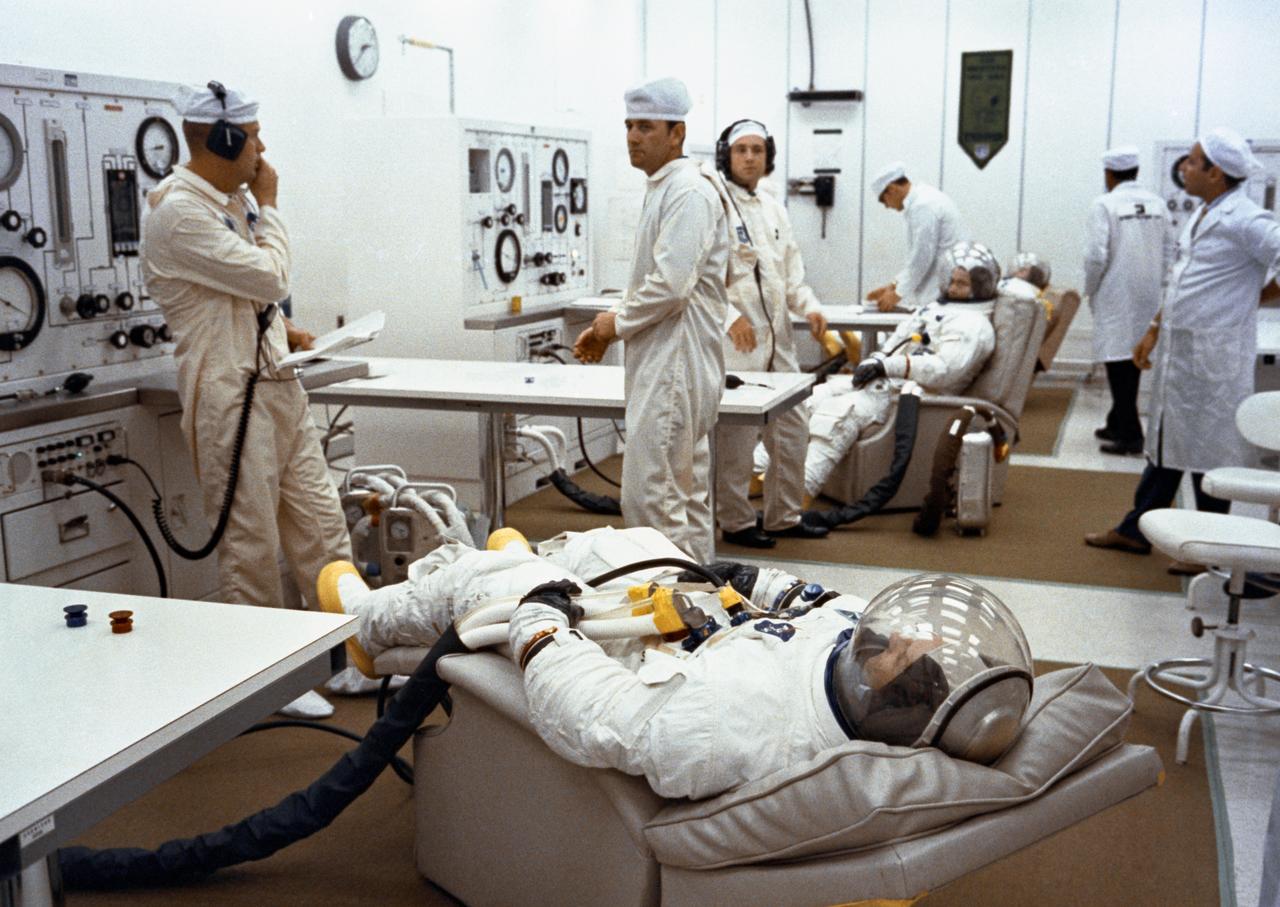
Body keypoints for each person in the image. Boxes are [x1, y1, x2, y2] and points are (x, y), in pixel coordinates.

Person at [317, 526, 1034, 800]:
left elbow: (598, 715)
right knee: (629, 537)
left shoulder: (742, 725)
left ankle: (364, 624)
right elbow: (811, 599)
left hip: (625, 646)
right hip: (683, 601)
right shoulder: (858, 639)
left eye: (904, 655)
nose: (904, 640)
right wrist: (749, 582)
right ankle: (532, 553)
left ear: (890, 695)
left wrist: (540, 623)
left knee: (488, 582)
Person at [141, 82, 352, 719]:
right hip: (229, 394)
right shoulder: (179, 211)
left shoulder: (226, 202)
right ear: (227, 139)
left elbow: (242, 293)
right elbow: (270, 276)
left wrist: (278, 327)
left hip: (274, 379)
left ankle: (345, 655)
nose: (262, 149)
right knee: (252, 544)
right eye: (255, 135)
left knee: (320, 524)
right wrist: (272, 206)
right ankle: (267, 686)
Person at [1086, 128, 1280, 568]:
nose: (1184, 168)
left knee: (1208, 451)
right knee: (1168, 444)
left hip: (1214, 356)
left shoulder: (1246, 219)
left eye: (1193, 161)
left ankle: (1209, 545)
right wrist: (1153, 328)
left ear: (1216, 172)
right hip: (1181, 351)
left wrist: (1257, 296)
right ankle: (1136, 529)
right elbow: (1180, 280)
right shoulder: (1202, 212)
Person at [572, 78, 732, 563]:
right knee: (682, 496)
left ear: (676, 133)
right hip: (670, 366)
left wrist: (610, 324)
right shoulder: (668, 187)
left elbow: (669, 286)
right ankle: (700, 607)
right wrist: (613, 323)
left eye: (645, 126)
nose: (633, 137)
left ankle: (668, 620)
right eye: (628, 126)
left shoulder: (688, 192)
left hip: (675, 370)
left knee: (651, 503)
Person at [759, 241, 999, 500]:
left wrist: (887, 365)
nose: (952, 288)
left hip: (919, 396)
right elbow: (896, 342)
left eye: (961, 284)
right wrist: (876, 361)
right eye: (951, 280)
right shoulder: (936, 309)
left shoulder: (974, 326)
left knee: (839, 414)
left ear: (980, 287)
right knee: (806, 402)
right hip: (888, 384)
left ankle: (798, 494)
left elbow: (943, 370)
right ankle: (756, 471)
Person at [713, 118, 829, 548]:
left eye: (757, 150)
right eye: (741, 149)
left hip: (779, 341)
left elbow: (791, 274)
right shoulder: (714, 204)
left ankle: (784, 514)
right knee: (737, 439)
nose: (749, 157)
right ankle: (737, 521)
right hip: (738, 343)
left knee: (793, 428)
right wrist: (729, 317)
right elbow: (702, 278)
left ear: (768, 157)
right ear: (727, 154)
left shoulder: (774, 208)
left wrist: (812, 309)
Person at [1082, 145, 1171, 456]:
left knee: (1117, 358)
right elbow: (1169, 249)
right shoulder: (1158, 204)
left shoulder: (1104, 204)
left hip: (1115, 290)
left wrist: (1090, 288)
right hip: (1149, 292)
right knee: (1131, 355)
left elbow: (1095, 256)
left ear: (1109, 174)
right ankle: (1116, 421)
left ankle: (1131, 434)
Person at [865, 162, 965, 312]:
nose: (886, 206)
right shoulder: (924, 200)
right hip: (941, 290)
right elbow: (918, 258)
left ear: (891, 189)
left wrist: (897, 293)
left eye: (883, 200)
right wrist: (893, 285)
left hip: (943, 294)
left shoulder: (923, 205)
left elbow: (922, 257)